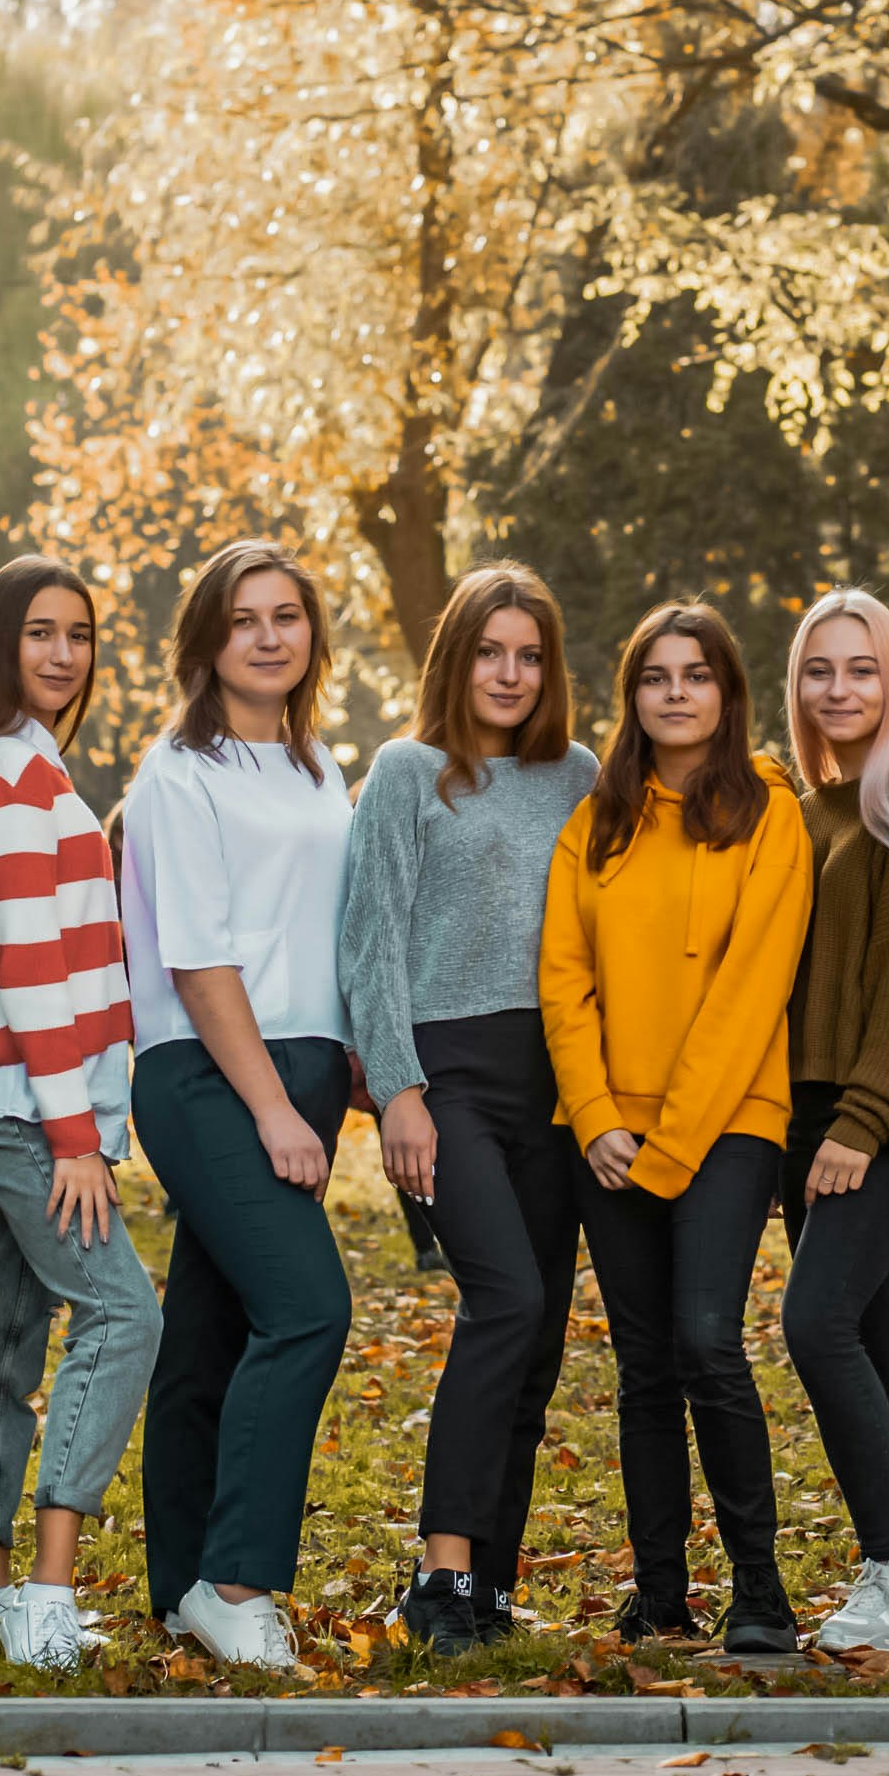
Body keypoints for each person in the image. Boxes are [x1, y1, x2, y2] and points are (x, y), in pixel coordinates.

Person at [541, 601, 814, 1655]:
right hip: (607, 1130)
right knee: (645, 1361)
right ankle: (659, 1591)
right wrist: (601, 1117)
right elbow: (563, 980)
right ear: (633, 696)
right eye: (655, 675)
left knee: (707, 1337)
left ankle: (760, 1587)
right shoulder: (597, 820)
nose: (675, 692)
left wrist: (670, 1146)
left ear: (725, 690)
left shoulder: (769, 813)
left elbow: (751, 991)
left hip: (731, 1121)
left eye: (695, 674)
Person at [338, 565, 598, 1656]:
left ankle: (492, 1578)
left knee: (536, 1330)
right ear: (454, 656)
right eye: (490, 650)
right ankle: (439, 1572)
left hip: (557, 1078)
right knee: (502, 1298)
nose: (509, 671)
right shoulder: (405, 773)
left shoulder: (577, 774)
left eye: (528, 654)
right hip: (448, 1076)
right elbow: (369, 941)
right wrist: (396, 1089)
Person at [126, 539, 360, 1674]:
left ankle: (178, 1585)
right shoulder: (181, 771)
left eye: (288, 615)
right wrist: (271, 1107)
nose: (270, 635)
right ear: (207, 640)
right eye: (244, 618)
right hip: (210, 1071)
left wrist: (347, 1073)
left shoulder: (320, 768)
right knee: (310, 1306)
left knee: (210, 1330)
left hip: (306, 1071)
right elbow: (200, 960)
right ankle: (238, 1581)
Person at [0, 558, 152, 1673]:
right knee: (123, 1314)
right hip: (26, 1108)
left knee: (5, 1339)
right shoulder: (8, 775)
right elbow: (27, 970)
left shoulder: (26, 768)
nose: (63, 653)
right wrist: (75, 1132)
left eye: (80, 634)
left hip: (23, 1101)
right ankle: (45, 1593)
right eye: (39, 633)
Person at [778, 591, 889, 1654]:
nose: (838, 689)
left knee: (814, 1323)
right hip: (808, 1109)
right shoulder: (811, 808)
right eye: (818, 671)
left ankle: (886, 1566)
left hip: (882, 1113)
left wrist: (860, 1119)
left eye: (861, 669)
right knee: (862, 1333)